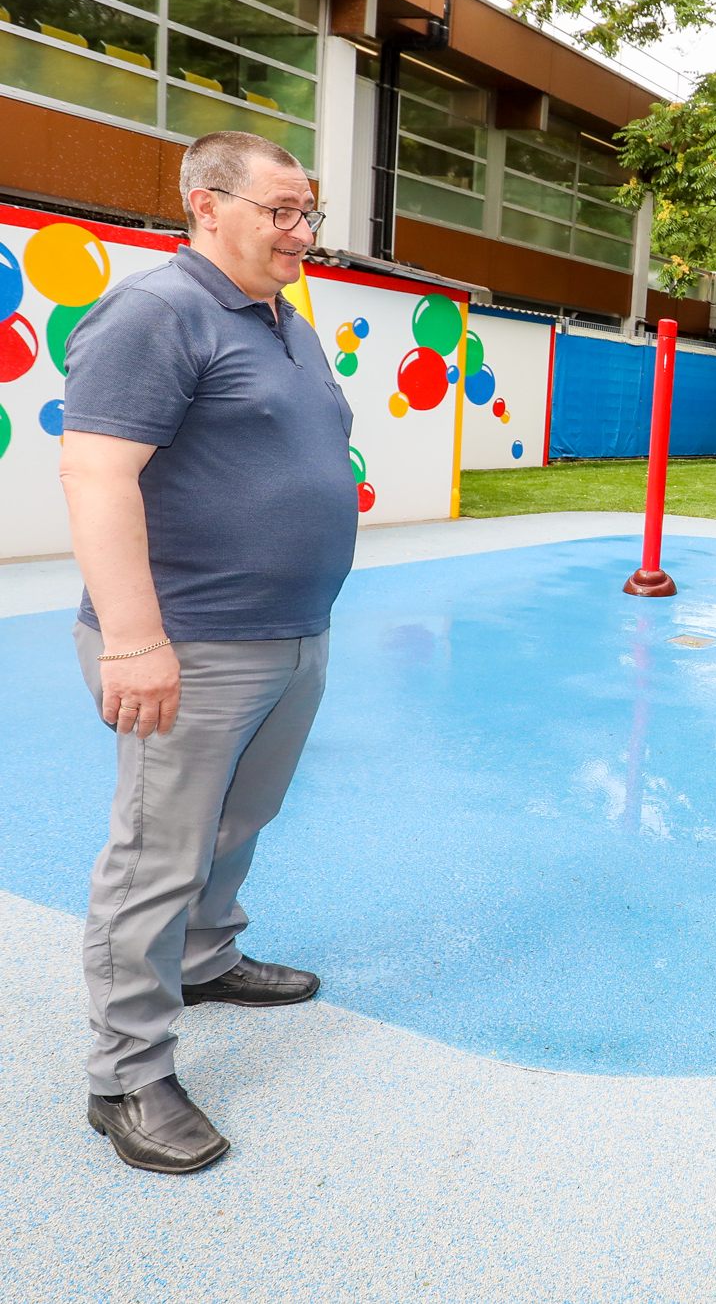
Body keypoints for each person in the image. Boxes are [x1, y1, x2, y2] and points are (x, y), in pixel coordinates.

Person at [59, 131, 355, 1174]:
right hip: (187, 641)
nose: (303, 231)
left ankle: (205, 954)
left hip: (293, 631)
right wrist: (135, 639)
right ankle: (126, 1076)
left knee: (240, 819)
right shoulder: (155, 311)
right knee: (158, 855)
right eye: (282, 210)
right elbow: (97, 475)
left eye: (309, 212)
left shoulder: (286, 321)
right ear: (205, 204)